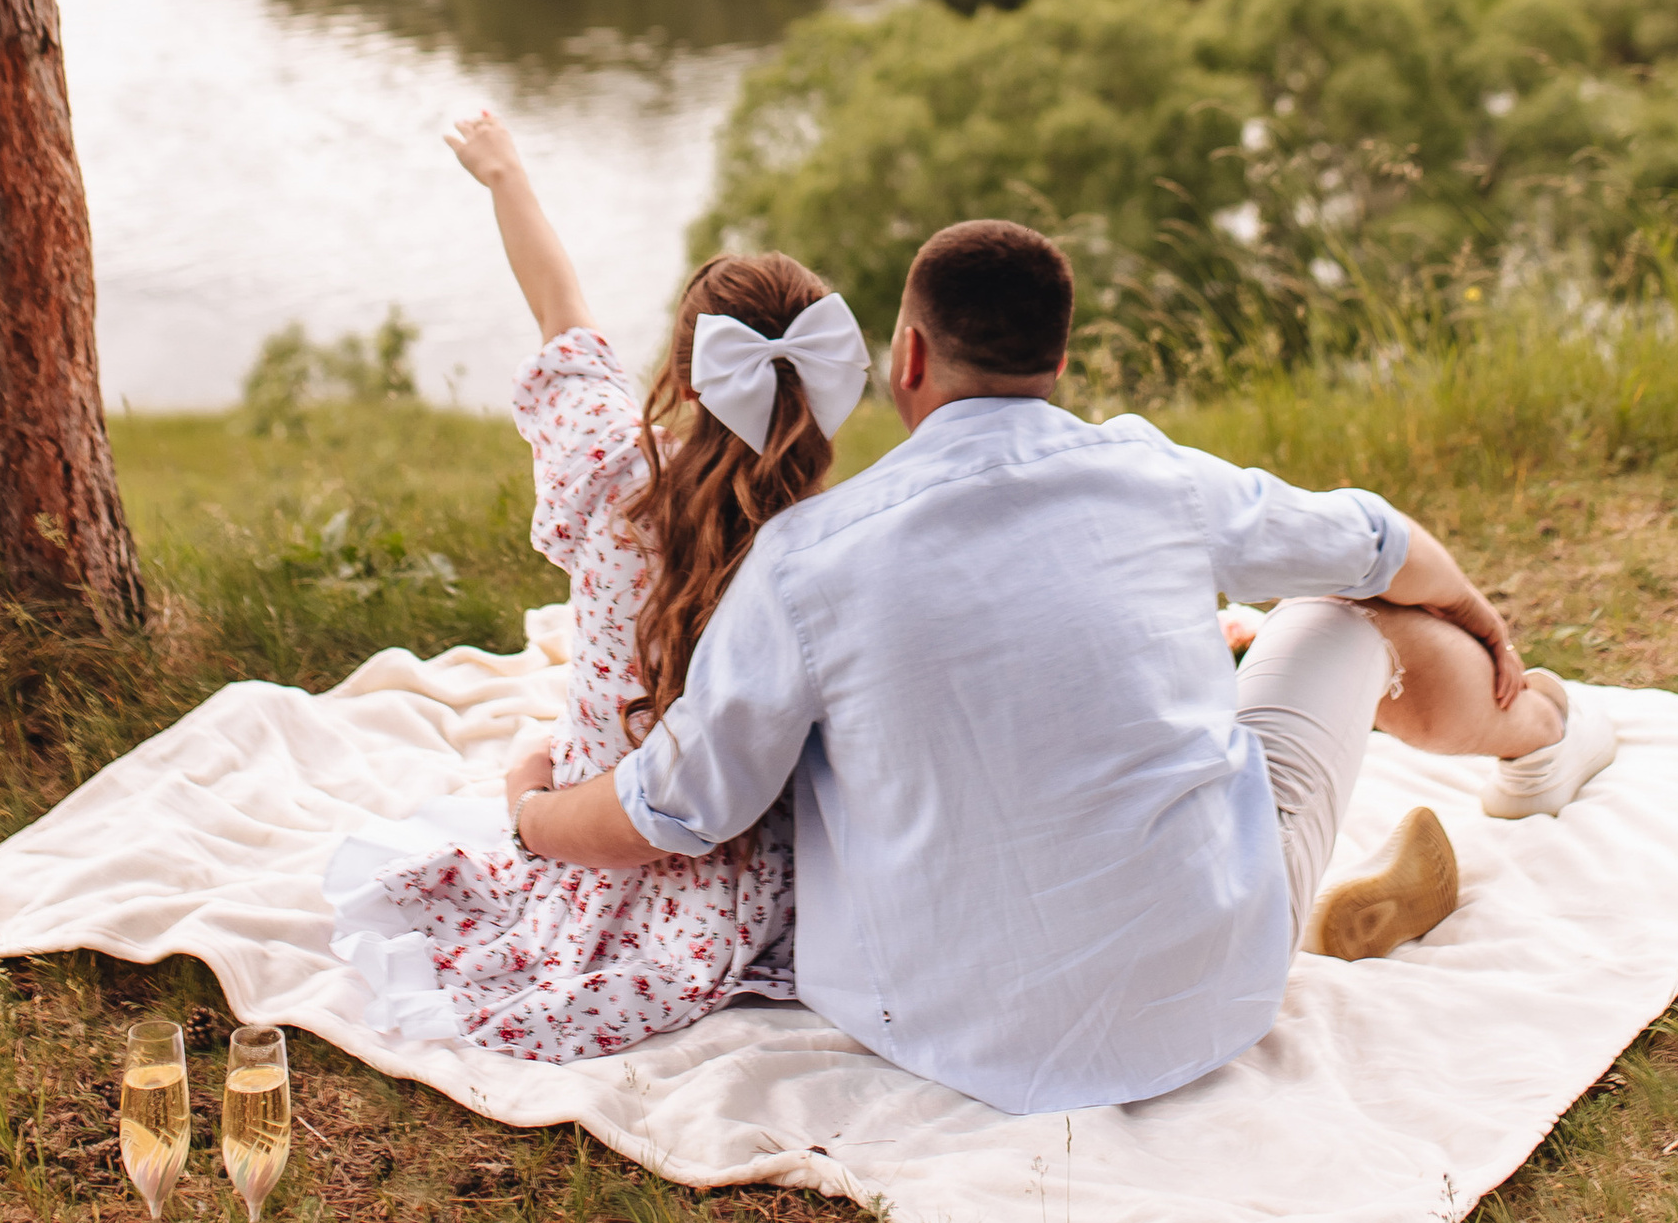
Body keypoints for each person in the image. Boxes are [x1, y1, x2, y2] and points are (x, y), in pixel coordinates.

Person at [502, 216, 1621, 1115]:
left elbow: (680, 805)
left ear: (908, 358)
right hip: (1208, 992)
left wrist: (533, 815)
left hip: (931, 1026)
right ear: (1060, 361)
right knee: (1342, 615)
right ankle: (1541, 739)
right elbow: (1378, 541)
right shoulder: (1156, 478)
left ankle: (1514, 751)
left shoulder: (805, 559)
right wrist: (1471, 603)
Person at [324, 112, 867, 1062]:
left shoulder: (611, 474)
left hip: (593, 834)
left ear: (688, 378)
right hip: (752, 881)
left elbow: (561, 314)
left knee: (542, 753)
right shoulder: (841, 545)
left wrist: (505, 176)